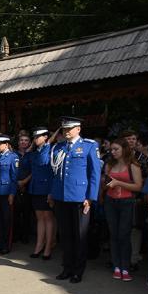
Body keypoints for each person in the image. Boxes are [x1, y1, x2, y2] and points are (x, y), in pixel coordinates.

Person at [49, 116, 101, 284]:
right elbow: (55, 173)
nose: (66, 132)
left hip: (80, 198)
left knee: (80, 236)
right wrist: (52, 193)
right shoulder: (58, 147)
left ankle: (78, 271)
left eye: (69, 128)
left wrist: (90, 197)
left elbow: (95, 174)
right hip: (61, 197)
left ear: (78, 129)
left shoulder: (89, 146)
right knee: (65, 235)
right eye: (64, 129)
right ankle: (67, 267)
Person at [102, 138, 142, 281]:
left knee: (123, 235)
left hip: (126, 202)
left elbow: (138, 186)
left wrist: (119, 183)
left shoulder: (133, 165)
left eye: (116, 149)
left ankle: (125, 267)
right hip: (110, 201)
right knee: (113, 234)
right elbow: (106, 184)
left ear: (124, 149)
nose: (112, 152)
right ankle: (116, 266)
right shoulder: (109, 164)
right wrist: (105, 183)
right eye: (111, 149)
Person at [23, 127, 56, 260]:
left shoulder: (50, 150)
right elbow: (25, 163)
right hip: (35, 188)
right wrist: (30, 148)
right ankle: (39, 245)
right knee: (40, 218)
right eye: (34, 137)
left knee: (48, 218)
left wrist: (51, 192)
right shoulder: (34, 152)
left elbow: (49, 167)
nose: (35, 139)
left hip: (46, 188)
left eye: (38, 137)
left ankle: (48, 247)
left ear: (46, 137)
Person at [14, 131, 33, 244]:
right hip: (15, 186)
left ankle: (25, 236)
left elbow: (34, 171)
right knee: (15, 213)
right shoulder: (13, 154)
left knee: (27, 213)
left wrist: (24, 182)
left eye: (26, 140)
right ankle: (16, 235)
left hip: (28, 186)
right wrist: (18, 183)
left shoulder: (32, 155)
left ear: (29, 142)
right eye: (21, 140)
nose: (24, 142)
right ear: (18, 142)